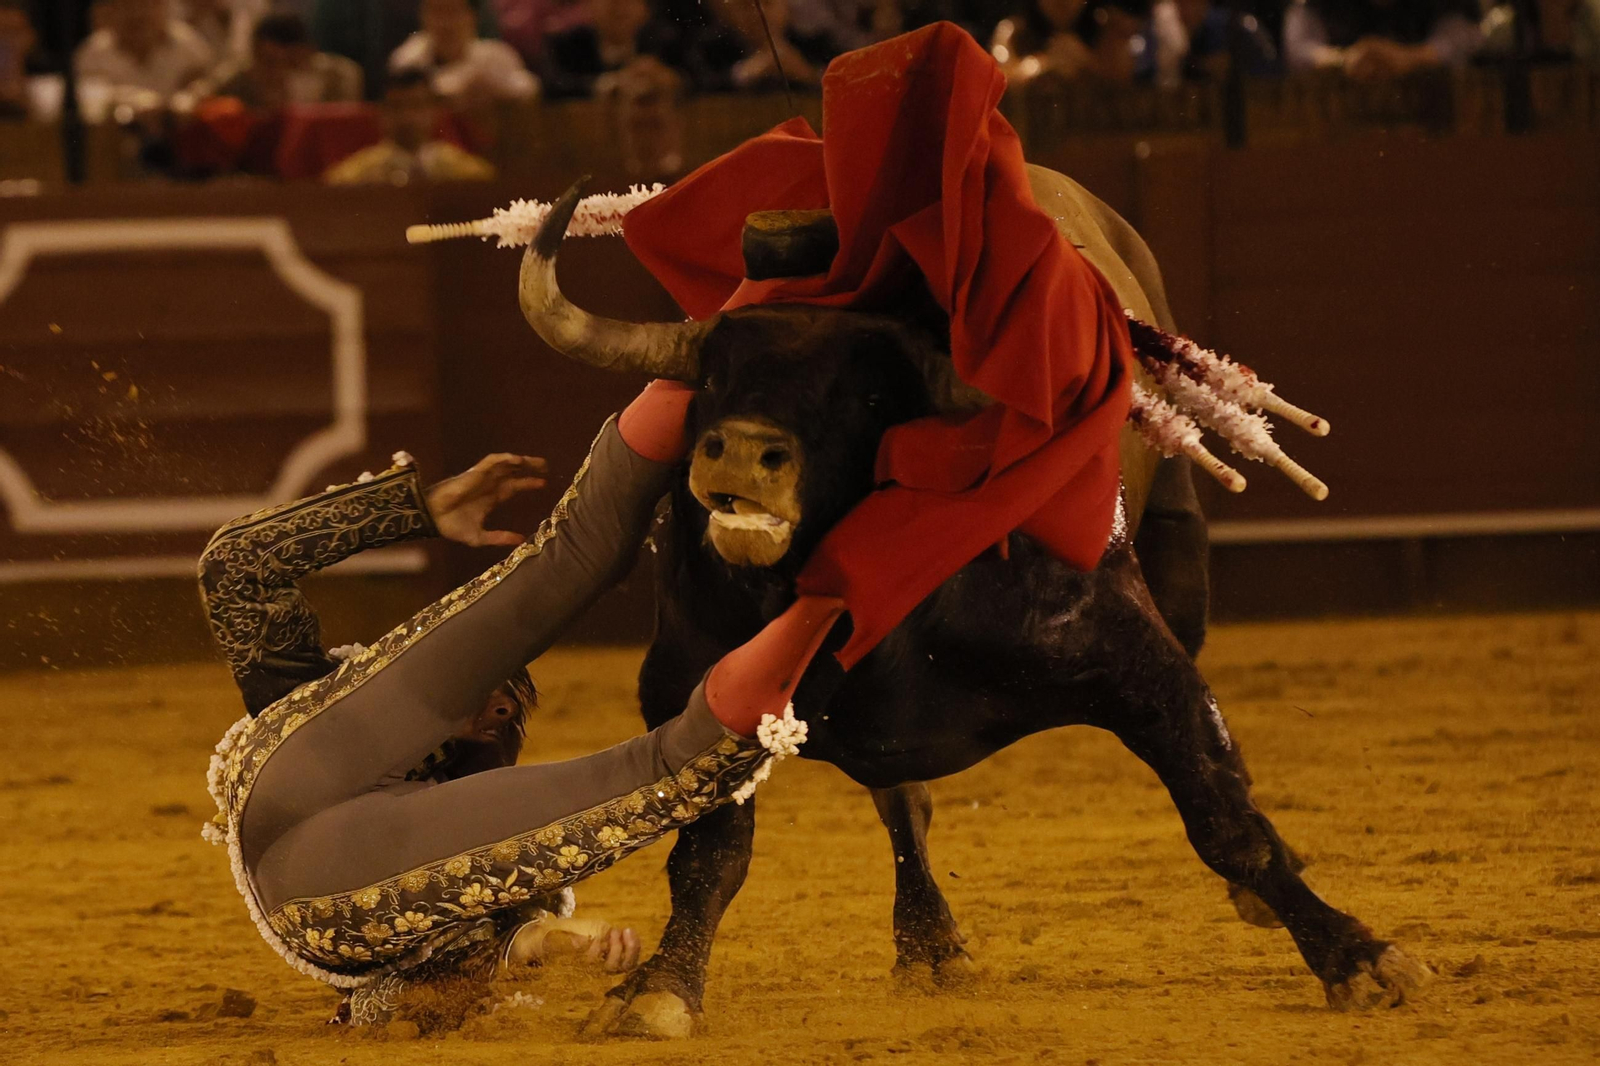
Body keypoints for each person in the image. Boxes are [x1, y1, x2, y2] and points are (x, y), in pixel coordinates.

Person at [201, 384, 837, 1026]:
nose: (500, 710)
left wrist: (416, 507)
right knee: (665, 764)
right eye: (501, 699)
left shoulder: (304, 693)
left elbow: (237, 564)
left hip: (297, 800)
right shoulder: (432, 778)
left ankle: (703, 383)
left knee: (584, 586)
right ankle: (839, 590)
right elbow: (237, 564)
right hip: (334, 892)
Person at [323, 67, 495, 184]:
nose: (407, 117)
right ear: (381, 113)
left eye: (417, 105)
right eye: (397, 106)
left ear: (434, 110)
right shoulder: (349, 178)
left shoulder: (470, 174)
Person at [74, 0, 215, 117]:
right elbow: (88, 98)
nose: (138, 14)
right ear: (112, 11)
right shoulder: (92, 53)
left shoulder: (188, 43)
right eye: (127, 6)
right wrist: (133, 101)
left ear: (163, 6)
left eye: (146, 4)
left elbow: (206, 83)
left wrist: (190, 97)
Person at [389, 0, 540, 106]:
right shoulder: (409, 56)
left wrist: (493, 88)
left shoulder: (495, 54)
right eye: (437, 11)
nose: (444, 23)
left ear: (473, 16)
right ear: (423, 15)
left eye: (453, 11)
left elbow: (529, 88)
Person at [1284, 0, 1483, 79]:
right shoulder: (1321, 5)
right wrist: (1345, 59)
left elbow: (1463, 41)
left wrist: (1408, 58)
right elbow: (1299, 49)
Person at [209, 12, 363, 108]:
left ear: (306, 53)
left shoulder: (338, 75)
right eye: (269, 61)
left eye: (289, 63)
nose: (278, 72)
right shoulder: (241, 75)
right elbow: (195, 99)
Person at [538, 0, 682, 99]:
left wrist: (671, 80)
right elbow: (552, 84)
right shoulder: (566, 43)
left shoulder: (666, 41)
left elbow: (698, 77)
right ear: (589, 5)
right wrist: (605, 85)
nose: (619, 5)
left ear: (645, 8)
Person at [688, 0, 822, 92]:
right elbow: (694, 86)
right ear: (730, 11)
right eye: (747, 5)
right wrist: (742, 75)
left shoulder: (814, 42)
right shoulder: (709, 48)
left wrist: (808, 75)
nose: (761, 13)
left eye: (768, 2)